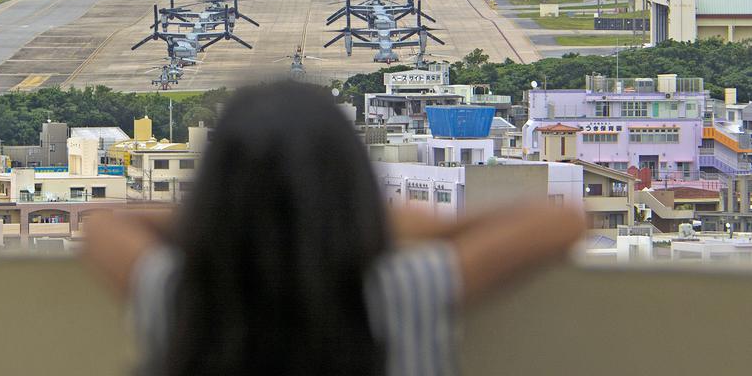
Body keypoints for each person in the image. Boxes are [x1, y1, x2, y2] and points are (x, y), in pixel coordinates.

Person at [84, 81, 585, 376]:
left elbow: (106, 226)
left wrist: (241, 217)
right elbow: (559, 221)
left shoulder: (180, 299)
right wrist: (368, 221)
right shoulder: (399, 292)